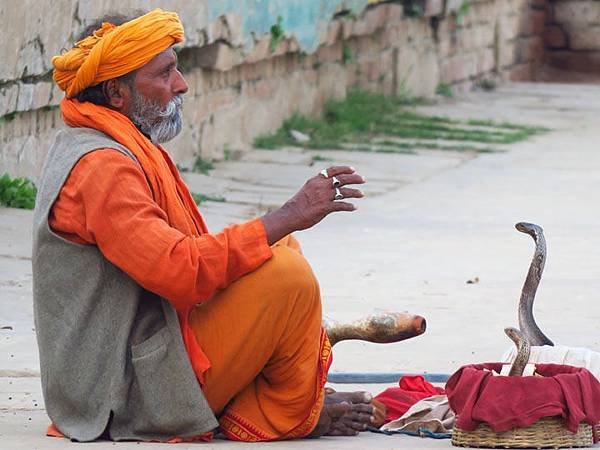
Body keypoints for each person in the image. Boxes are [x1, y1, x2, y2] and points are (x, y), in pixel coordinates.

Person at [32, 9, 373, 443]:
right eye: (165, 73)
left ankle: (279, 396)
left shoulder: (116, 144)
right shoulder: (102, 168)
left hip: (144, 354)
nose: (182, 84)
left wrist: (279, 226)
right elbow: (180, 271)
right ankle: (277, 412)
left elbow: (187, 259)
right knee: (288, 278)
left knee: (279, 250)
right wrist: (289, 212)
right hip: (121, 391)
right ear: (117, 92)